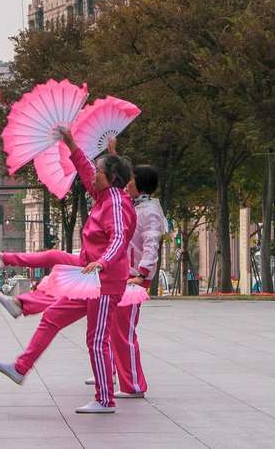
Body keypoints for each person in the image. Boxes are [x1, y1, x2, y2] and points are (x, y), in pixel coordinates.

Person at [0, 128, 136, 415]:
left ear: (110, 178)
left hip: (103, 282)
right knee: (53, 316)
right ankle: (21, 367)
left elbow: (119, 238)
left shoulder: (114, 202)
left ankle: (105, 399)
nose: (93, 173)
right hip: (90, 278)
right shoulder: (104, 195)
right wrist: (71, 143)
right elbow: (85, 167)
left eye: (99, 171)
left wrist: (102, 262)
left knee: (97, 339)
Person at [111, 164, 169, 399]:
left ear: (140, 184)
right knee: (116, 329)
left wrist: (142, 274)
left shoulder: (149, 211)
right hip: (127, 275)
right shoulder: (135, 205)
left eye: (131, 179)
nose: (127, 183)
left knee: (124, 331)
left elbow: (151, 244)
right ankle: (122, 376)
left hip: (135, 277)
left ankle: (133, 384)